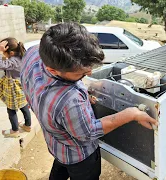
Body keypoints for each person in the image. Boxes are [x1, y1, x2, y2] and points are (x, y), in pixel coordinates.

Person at [20, 23, 158, 180]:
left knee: (60, 167)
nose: (90, 72)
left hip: (55, 143)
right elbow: (88, 133)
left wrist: (84, 89)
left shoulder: (33, 53)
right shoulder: (69, 100)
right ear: (54, 70)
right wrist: (130, 114)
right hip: (80, 157)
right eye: (82, 73)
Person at [0, 38, 32, 138]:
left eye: (4, 53)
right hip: (22, 87)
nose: (3, 55)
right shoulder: (21, 57)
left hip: (14, 90)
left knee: (11, 109)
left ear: (11, 53)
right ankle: (27, 126)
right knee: (24, 106)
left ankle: (14, 131)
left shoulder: (13, 61)